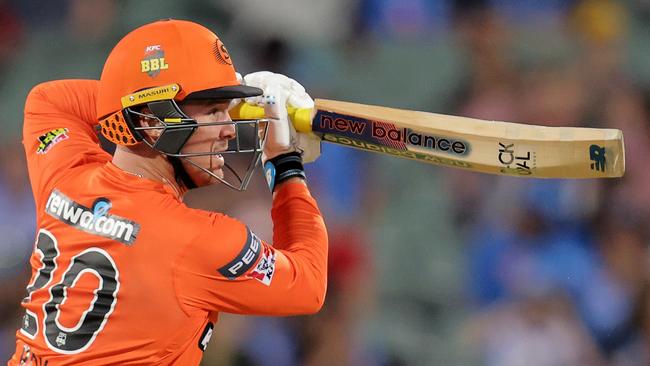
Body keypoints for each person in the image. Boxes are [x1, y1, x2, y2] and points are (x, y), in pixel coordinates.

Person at [7, 19, 328, 365]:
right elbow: (308, 283)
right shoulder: (199, 240)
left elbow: (50, 99)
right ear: (151, 120)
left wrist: (183, 87)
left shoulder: (66, 175)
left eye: (227, 109)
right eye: (213, 111)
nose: (230, 130)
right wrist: (285, 163)